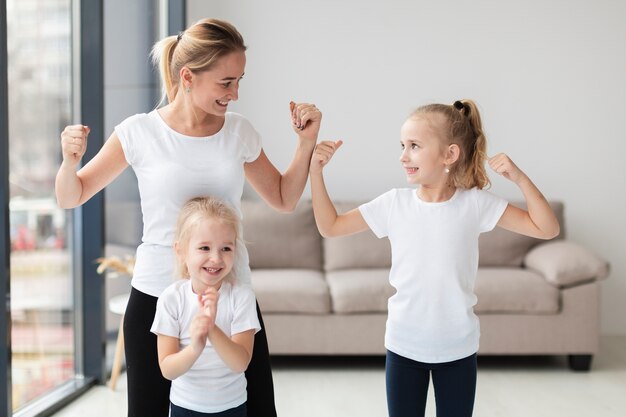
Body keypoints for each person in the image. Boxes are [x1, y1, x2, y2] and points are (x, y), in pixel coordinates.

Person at [55, 18, 321, 417]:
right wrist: (70, 160)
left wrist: (305, 144)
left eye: (239, 80)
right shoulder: (138, 133)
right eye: (225, 82)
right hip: (157, 295)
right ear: (187, 77)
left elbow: (283, 198)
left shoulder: (239, 132)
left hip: (230, 295)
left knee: (255, 408)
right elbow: (71, 195)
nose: (235, 93)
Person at [309, 99, 560, 417]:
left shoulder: (475, 204)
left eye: (414, 146)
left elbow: (547, 228)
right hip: (403, 346)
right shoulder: (394, 204)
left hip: (458, 348)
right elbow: (330, 227)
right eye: (402, 145)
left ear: (449, 154)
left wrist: (520, 179)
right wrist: (316, 173)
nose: (403, 155)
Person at [151, 196, 260, 417]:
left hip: (232, 407)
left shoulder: (242, 296)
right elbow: (168, 369)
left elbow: (240, 363)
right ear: (181, 251)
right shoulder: (171, 299)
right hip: (184, 408)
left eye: (226, 248)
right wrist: (195, 348)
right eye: (204, 248)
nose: (215, 258)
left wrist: (211, 329)